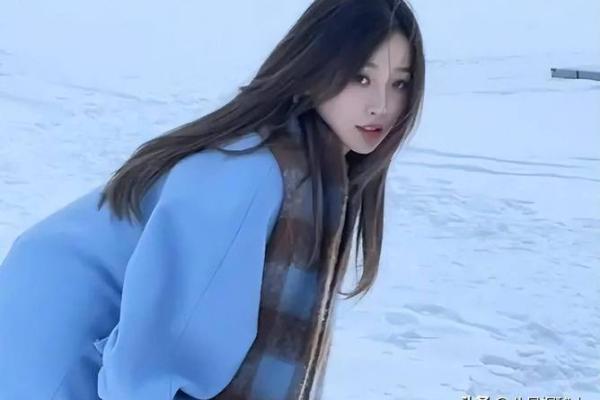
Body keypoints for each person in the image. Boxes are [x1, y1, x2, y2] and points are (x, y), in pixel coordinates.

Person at [0, 0, 425, 398]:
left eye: (400, 83)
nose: (382, 105)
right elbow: (153, 361)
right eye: (361, 78)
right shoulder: (253, 174)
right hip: (49, 353)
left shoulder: (307, 170)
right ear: (316, 68)